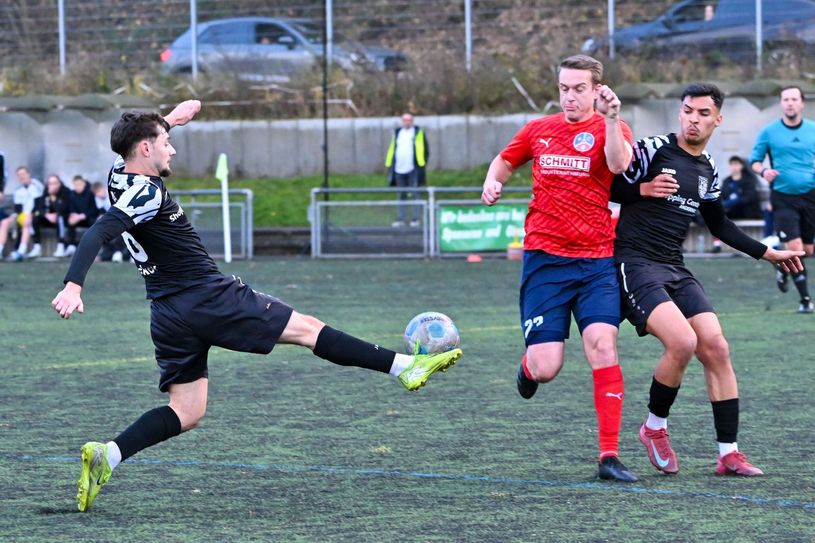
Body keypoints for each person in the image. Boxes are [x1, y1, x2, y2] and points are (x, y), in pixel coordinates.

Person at [51, 100, 462, 512]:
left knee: (187, 411)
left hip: (167, 312)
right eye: (165, 142)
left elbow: (137, 154)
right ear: (145, 149)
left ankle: (110, 454)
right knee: (308, 329)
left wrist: (171, 119)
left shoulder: (118, 174)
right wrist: (73, 285)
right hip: (208, 298)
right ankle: (403, 366)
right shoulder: (144, 192)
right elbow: (97, 233)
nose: (172, 149)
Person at [611, 83, 803, 477]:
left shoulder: (709, 169)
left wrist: (767, 254)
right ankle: (654, 428)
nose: (692, 119)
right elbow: (607, 185)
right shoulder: (652, 149)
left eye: (702, 113)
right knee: (683, 341)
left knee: (715, 346)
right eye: (687, 111)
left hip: (674, 266)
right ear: (679, 112)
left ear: (718, 119)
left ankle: (729, 453)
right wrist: (642, 189)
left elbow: (720, 224)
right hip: (636, 262)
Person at [481, 54, 637, 482]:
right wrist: (493, 180)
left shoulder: (613, 126)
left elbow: (621, 164)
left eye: (579, 89)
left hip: (596, 261)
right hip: (546, 261)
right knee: (548, 367)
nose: (570, 96)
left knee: (603, 344)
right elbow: (505, 161)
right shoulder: (538, 129)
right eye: (564, 88)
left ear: (596, 90)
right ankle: (528, 367)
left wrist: (610, 119)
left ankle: (609, 456)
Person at [750, 85, 815, 313]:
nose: (789, 103)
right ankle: (805, 300)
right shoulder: (769, 132)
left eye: (794, 99)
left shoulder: (812, 130)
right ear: (781, 103)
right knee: (796, 248)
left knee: (808, 249)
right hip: (783, 197)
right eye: (785, 99)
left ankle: (782, 268)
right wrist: (763, 172)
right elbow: (755, 161)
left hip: (810, 196)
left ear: (802, 103)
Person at [385, 112, 429, 228]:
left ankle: (416, 219)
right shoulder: (397, 133)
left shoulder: (418, 133)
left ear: (412, 121)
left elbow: (425, 150)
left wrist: (421, 164)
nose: (407, 122)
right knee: (401, 195)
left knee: (415, 194)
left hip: (413, 169)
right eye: (405, 120)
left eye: (409, 120)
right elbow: (392, 148)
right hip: (399, 169)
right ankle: (401, 219)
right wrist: (389, 163)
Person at [710, 156, 762, 253]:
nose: (734, 167)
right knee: (715, 215)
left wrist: (731, 203)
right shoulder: (727, 181)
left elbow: (749, 198)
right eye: (732, 164)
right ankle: (717, 245)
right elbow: (720, 195)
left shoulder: (749, 180)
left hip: (746, 211)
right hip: (729, 211)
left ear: (742, 166)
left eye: (736, 164)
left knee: (721, 211)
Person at [0, 166, 43, 261]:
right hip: (21, 216)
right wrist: (14, 216)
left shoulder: (37, 186)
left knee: (26, 220)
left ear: (29, 174)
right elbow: (18, 209)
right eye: (19, 175)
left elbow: (39, 205)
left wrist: (31, 214)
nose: (21, 177)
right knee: (5, 222)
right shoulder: (17, 190)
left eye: (23, 174)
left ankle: (21, 251)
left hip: (34, 215)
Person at [31, 174, 72, 258]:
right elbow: (38, 208)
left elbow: (64, 209)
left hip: (62, 219)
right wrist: (46, 215)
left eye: (54, 183)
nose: (51, 186)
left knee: (59, 218)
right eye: (50, 183)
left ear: (59, 183)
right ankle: (37, 245)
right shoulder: (46, 191)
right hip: (48, 219)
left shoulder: (66, 192)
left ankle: (61, 245)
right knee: (34, 218)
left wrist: (53, 199)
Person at [65, 174, 100, 257]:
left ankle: (93, 245)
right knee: (70, 220)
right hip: (77, 220)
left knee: (93, 221)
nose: (78, 187)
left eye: (79, 184)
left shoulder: (90, 194)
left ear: (84, 184)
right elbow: (70, 208)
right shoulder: (72, 194)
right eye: (76, 185)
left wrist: (82, 216)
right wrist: (73, 215)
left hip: (87, 219)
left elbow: (94, 210)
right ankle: (71, 245)